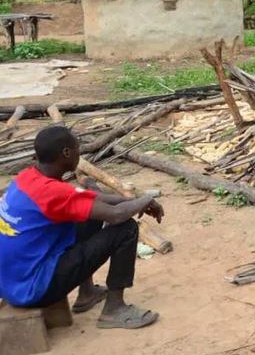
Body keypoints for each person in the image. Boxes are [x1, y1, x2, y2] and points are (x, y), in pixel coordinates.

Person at [0, 126, 161, 329]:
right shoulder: (53, 192)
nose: (80, 152)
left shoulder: (28, 178)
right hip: (33, 288)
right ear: (66, 153)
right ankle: (114, 309)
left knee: (89, 215)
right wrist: (146, 199)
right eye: (77, 148)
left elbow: (90, 198)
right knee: (126, 228)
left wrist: (134, 200)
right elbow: (117, 215)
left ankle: (86, 294)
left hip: (12, 282)